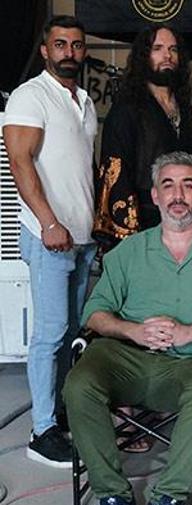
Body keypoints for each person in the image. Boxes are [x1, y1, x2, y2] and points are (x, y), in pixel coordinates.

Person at [63, 152, 192, 505]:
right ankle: (114, 497)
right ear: (155, 196)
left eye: (188, 185)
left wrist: (190, 332)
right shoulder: (129, 251)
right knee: (79, 383)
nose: (178, 195)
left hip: (189, 363)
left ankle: (167, 502)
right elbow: (95, 313)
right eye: (168, 185)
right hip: (124, 357)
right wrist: (134, 331)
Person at [3, 15, 97, 468]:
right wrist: (48, 223)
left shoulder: (85, 102)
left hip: (82, 237)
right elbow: (20, 162)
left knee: (71, 334)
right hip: (50, 236)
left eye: (76, 45)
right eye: (60, 44)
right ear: (45, 50)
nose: (69, 52)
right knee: (49, 334)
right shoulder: (31, 95)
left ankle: (58, 414)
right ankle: (41, 431)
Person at [93, 24, 192, 249]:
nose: (167, 56)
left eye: (173, 49)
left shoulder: (187, 111)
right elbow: (116, 173)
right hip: (142, 227)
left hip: (184, 224)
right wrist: (129, 238)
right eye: (157, 48)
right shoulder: (127, 109)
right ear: (144, 56)